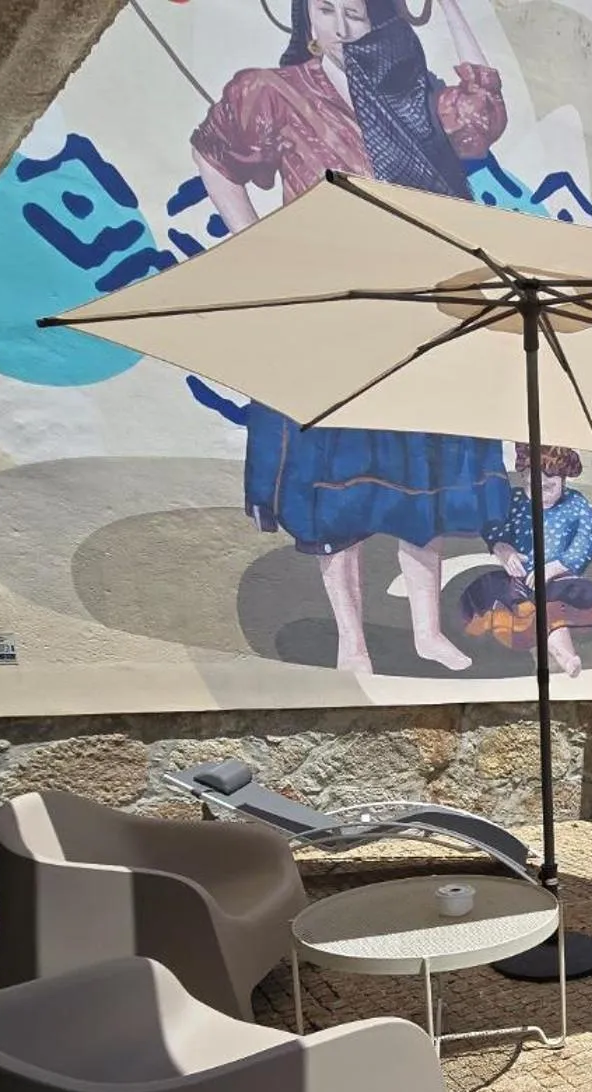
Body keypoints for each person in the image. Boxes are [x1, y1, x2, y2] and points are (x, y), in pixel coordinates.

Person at [190, 0, 510, 675]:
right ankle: (352, 639)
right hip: (331, 316)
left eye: (357, 15)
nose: (338, 25)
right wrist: (258, 241)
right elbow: (213, 154)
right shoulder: (270, 91)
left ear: (386, 25)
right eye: (326, 9)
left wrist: (450, 8)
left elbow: (481, 122)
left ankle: (425, 630)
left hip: (420, 313)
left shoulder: (416, 98)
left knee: (420, 484)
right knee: (336, 491)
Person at [461, 445, 592, 678]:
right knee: (521, 609)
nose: (542, 494)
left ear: (563, 480)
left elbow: (586, 543)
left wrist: (556, 566)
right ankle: (562, 654)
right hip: (518, 581)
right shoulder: (515, 500)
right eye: (534, 486)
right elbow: (493, 525)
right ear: (523, 478)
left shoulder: (577, 504)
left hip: (562, 580)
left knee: (583, 607)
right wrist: (503, 549)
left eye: (549, 487)